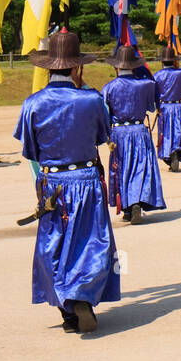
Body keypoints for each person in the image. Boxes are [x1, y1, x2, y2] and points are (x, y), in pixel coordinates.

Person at [15, 30, 121, 332]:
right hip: (86, 178)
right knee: (91, 240)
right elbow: (102, 137)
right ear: (77, 67)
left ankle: (67, 308)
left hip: (54, 183)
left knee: (55, 242)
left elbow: (30, 151)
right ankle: (83, 294)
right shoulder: (92, 100)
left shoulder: (32, 103)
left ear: (47, 67)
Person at [102, 45, 165, 224]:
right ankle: (136, 200)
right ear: (134, 66)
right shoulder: (145, 85)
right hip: (139, 130)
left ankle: (128, 207)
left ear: (116, 67)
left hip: (119, 132)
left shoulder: (109, 88)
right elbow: (150, 107)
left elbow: (105, 114)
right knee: (140, 167)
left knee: (121, 168)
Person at [154, 45, 181, 171]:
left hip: (164, 107)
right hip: (177, 106)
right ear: (174, 60)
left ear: (162, 61)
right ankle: (177, 150)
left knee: (165, 132)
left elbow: (154, 94)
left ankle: (168, 153)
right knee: (179, 129)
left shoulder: (157, 76)